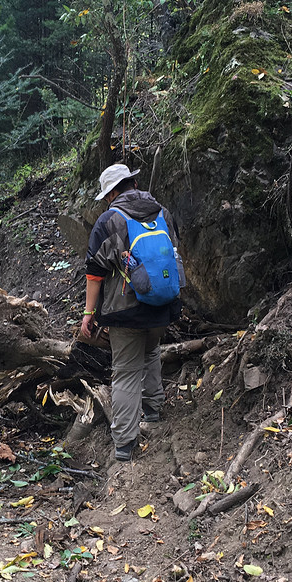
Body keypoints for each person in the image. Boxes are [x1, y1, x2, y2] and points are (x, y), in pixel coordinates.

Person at [80, 163, 183, 461]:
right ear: (134, 183)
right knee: (151, 352)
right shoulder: (162, 212)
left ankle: (124, 445)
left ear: (112, 192)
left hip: (126, 310)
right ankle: (152, 411)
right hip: (162, 303)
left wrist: (89, 313)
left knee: (125, 372)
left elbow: (95, 274)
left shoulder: (110, 220)